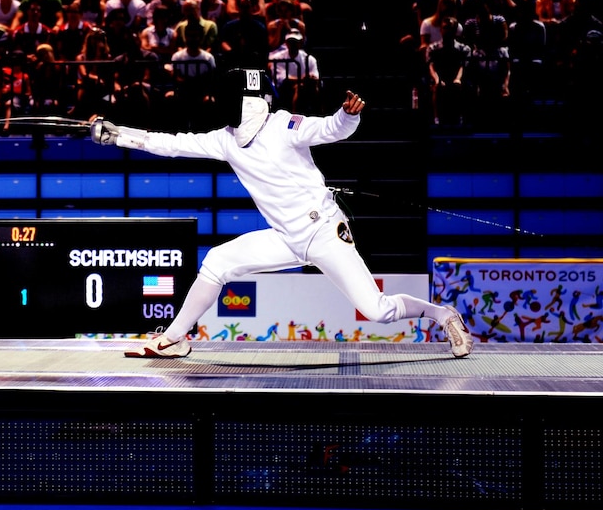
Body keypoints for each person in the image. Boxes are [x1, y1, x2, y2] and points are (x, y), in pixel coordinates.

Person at [88, 87, 473, 360]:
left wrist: (346, 116)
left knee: (378, 311)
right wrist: (117, 134)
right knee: (217, 262)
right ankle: (173, 339)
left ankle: (444, 315)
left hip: (323, 232)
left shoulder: (285, 125)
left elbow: (328, 129)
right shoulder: (225, 140)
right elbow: (170, 143)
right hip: (286, 238)